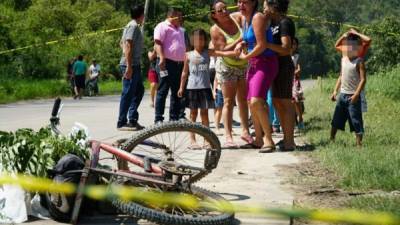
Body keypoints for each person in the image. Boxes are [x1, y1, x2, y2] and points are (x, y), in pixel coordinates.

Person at [177, 29, 239, 148]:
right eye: (196, 39)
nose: (199, 41)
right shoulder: (188, 55)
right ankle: (192, 140)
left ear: (204, 40)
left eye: (201, 39)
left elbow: (222, 53)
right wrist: (181, 87)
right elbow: (184, 72)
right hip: (192, 88)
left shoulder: (207, 52)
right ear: (192, 41)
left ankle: (206, 140)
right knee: (193, 115)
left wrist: (234, 53)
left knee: (204, 114)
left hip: (205, 88)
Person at [237, 0, 278, 152]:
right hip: (254, 63)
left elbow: (262, 45)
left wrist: (244, 57)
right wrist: (241, 44)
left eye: (245, 2)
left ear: (254, 3)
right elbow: (250, 40)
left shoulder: (257, 17)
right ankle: (259, 139)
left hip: (265, 62)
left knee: (256, 101)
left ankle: (269, 139)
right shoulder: (245, 19)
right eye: (239, 1)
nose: (241, 5)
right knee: (250, 102)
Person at [210, 0, 252, 149]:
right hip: (227, 66)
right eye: (220, 10)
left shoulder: (237, 17)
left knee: (243, 100)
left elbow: (248, 22)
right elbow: (222, 48)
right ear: (214, 15)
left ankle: (245, 131)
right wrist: (240, 40)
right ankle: (228, 136)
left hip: (243, 64)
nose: (225, 12)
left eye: (225, 8)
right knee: (228, 101)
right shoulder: (215, 29)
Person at [263, 0, 296, 151]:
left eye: (265, 6)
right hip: (274, 66)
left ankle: (290, 141)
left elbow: (286, 48)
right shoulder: (272, 23)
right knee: (276, 102)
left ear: (273, 7)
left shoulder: (284, 23)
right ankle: (285, 137)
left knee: (285, 102)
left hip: (284, 66)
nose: (263, 9)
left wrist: (266, 45)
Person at [330, 30, 370, 147]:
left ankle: (359, 144)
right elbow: (341, 76)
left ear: (357, 48)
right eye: (347, 46)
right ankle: (331, 139)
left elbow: (363, 80)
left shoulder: (359, 61)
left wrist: (356, 94)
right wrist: (334, 91)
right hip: (342, 95)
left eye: (352, 46)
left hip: (353, 96)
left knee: (356, 120)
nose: (348, 48)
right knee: (336, 119)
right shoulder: (344, 58)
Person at [153, 6, 186, 123]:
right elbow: (157, 43)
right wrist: (161, 57)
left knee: (176, 90)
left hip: (179, 64)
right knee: (163, 90)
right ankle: (158, 118)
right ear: (171, 15)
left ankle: (174, 117)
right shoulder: (162, 26)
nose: (181, 18)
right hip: (166, 63)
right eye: (179, 16)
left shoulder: (180, 29)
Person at [117, 5, 145, 131]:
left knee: (139, 91)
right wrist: (128, 66)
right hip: (130, 65)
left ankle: (132, 119)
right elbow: (127, 45)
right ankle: (122, 122)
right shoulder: (133, 26)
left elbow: (121, 43)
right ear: (141, 15)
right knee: (128, 93)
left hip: (135, 64)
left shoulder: (132, 25)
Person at [291, 38, 304, 129]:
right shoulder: (284, 55)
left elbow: (299, 69)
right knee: (290, 101)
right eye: (291, 43)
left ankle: (300, 119)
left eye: (294, 44)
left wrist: (292, 72)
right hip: (287, 80)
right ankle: (293, 121)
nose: (292, 45)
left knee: (297, 100)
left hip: (295, 80)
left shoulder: (297, 56)